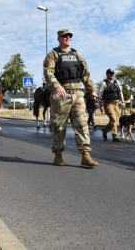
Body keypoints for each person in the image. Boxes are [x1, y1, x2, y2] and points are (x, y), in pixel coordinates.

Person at [43, 29, 99, 167]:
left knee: (82, 123)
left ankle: (86, 155)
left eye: (70, 36)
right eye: (64, 36)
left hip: (77, 94)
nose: (68, 38)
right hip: (61, 94)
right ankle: (58, 155)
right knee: (59, 126)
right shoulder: (53, 55)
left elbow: (86, 74)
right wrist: (57, 86)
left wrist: (92, 90)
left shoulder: (78, 55)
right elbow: (48, 72)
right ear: (59, 38)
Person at [98, 68, 125, 142]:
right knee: (113, 119)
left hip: (116, 104)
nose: (112, 75)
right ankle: (115, 136)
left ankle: (105, 130)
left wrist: (123, 102)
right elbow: (100, 95)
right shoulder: (104, 83)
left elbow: (120, 93)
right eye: (110, 73)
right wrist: (100, 105)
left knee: (115, 120)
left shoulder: (117, 82)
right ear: (107, 74)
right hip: (108, 104)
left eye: (113, 73)